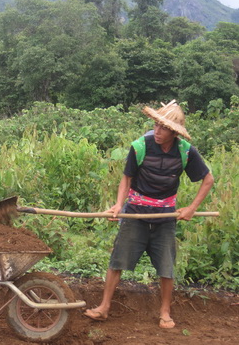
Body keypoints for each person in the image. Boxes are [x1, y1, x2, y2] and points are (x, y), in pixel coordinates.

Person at [84, 100, 214, 329]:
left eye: (163, 128)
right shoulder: (140, 146)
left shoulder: (185, 151)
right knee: (117, 260)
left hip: (165, 217)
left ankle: (165, 312)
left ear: (174, 132)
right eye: (155, 125)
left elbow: (208, 179)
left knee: (166, 265)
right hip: (136, 213)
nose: (157, 131)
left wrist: (192, 208)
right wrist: (117, 205)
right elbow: (127, 178)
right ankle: (104, 307)